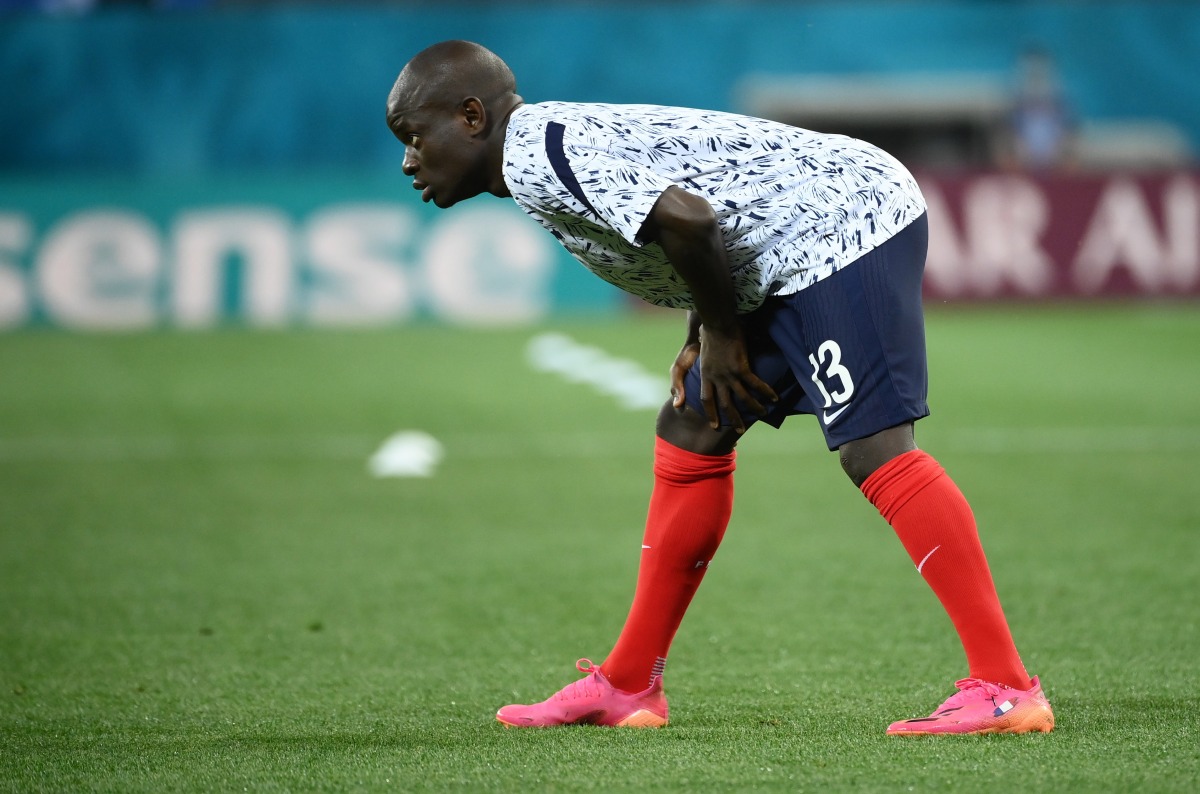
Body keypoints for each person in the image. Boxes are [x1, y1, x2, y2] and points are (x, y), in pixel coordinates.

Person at [386, 40, 1055, 736]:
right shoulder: (539, 148)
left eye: (413, 137)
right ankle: (626, 686)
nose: (409, 159)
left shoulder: (536, 154)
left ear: (470, 117)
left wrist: (722, 333)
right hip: (782, 243)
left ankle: (1007, 688)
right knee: (693, 425)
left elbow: (689, 218)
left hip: (839, 222)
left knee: (874, 447)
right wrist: (701, 332)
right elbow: (694, 210)